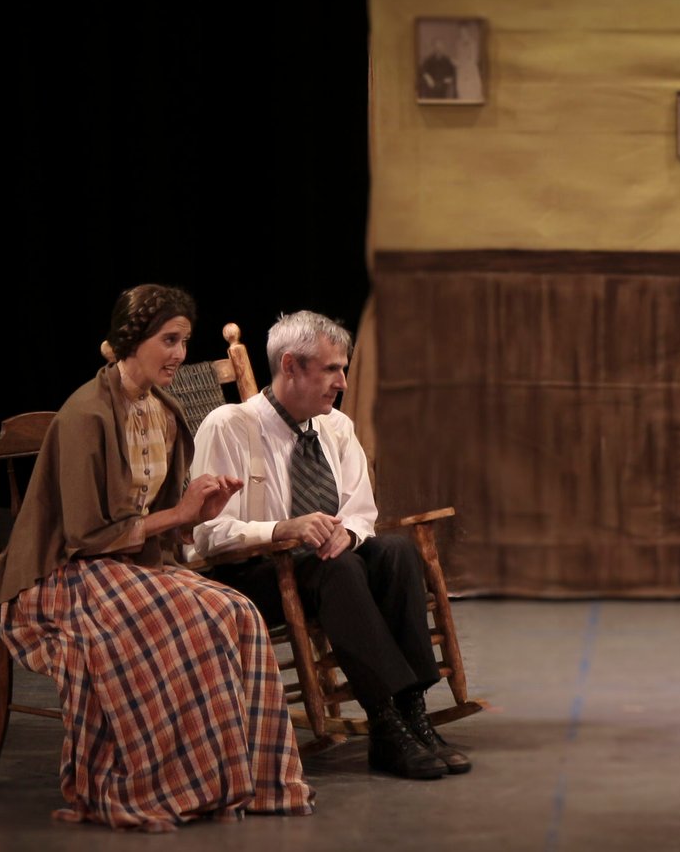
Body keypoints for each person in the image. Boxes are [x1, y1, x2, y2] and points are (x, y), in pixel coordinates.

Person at [0, 284, 314, 832]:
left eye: (184, 340)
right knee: (179, 621)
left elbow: (161, 522)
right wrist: (181, 512)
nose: (180, 353)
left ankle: (245, 781)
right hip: (59, 576)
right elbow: (85, 537)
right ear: (133, 340)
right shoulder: (87, 414)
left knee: (236, 612)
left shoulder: (163, 411)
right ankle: (159, 783)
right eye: (169, 340)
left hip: (127, 568)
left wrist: (197, 512)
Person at [191, 310, 470, 780]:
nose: (342, 382)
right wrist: (282, 529)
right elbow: (208, 533)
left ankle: (411, 712)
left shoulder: (336, 427)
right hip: (253, 574)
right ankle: (384, 723)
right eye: (331, 369)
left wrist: (350, 532)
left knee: (396, 552)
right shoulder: (229, 426)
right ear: (291, 366)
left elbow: (361, 510)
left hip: (326, 568)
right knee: (339, 568)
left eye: (343, 369)